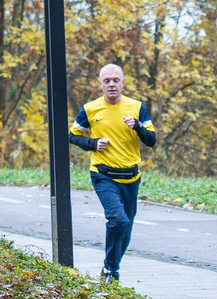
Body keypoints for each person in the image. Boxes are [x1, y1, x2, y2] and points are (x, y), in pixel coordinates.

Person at [67, 63, 156, 281]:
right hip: (103, 174)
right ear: (100, 84)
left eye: (116, 80)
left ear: (123, 83)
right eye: (107, 81)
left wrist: (137, 126)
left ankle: (109, 267)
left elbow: (151, 140)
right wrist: (92, 143)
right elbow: (72, 135)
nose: (112, 84)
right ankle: (111, 270)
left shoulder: (136, 107)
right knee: (119, 220)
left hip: (131, 176)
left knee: (126, 228)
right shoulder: (90, 109)